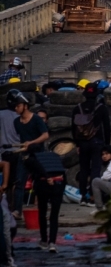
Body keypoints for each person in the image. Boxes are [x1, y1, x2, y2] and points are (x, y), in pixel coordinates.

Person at [72, 83, 110, 206]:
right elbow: (107, 128)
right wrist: (107, 145)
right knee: (95, 169)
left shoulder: (77, 108)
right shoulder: (102, 108)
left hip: (82, 143)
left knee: (83, 169)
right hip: (97, 142)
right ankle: (94, 196)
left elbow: (73, 128)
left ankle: (83, 196)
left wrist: (77, 143)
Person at [12, 91, 49, 219]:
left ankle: (41, 208)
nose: (16, 108)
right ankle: (17, 211)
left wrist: (31, 143)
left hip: (38, 155)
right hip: (24, 155)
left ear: (25, 106)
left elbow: (45, 135)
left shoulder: (37, 119)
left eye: (17, 106)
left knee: (40, 182)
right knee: (19, 182)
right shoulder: (17, 122)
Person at [25, 144, 65, 253]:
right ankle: (52, 243)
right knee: (54, 215)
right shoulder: (54, 156)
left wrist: (46, 178)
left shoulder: (31, 159)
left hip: (42, 184)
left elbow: (35, 172)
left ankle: (44, 240)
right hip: (59, 183)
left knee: (42, 213)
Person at [0, 92, 21, 215]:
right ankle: (16, 210)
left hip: (6, 153)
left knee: (6, 183)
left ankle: (6, 209)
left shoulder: (1, 115)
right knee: (18, 183)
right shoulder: (22, 115)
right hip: (19, 151)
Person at [91, 145, 111, 216]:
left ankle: (99, 209)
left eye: (107, 154)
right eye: (103, 154)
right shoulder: (110, 162)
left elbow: (106, 176)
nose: (104, 156)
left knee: (95, 181)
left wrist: (101, 181)